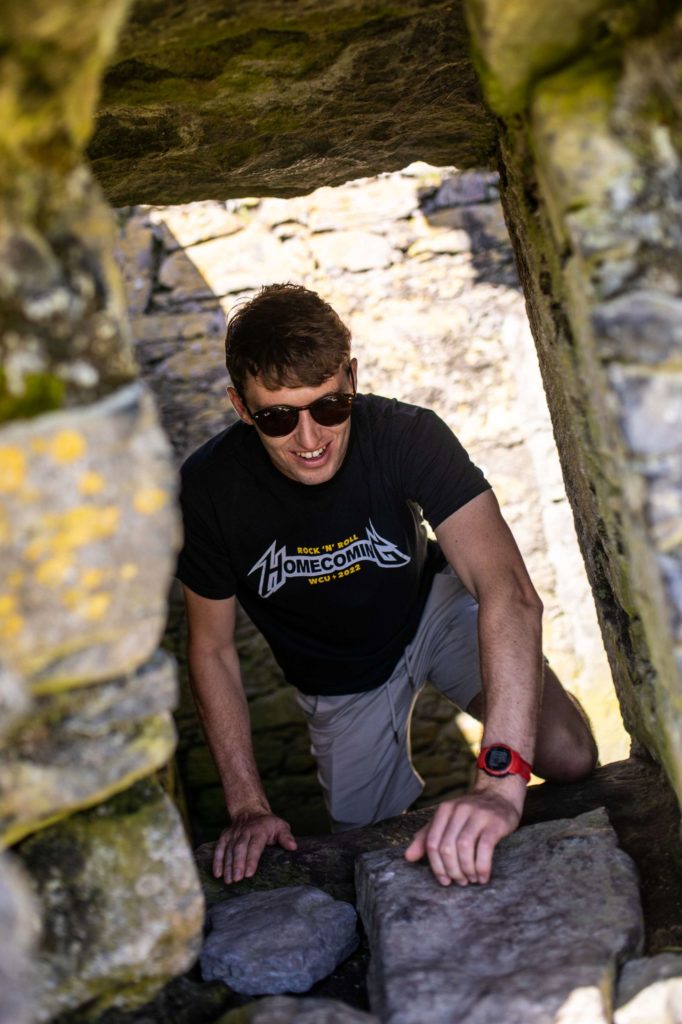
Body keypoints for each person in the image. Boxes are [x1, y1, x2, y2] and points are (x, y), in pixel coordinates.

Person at [177, 283, 598, 890]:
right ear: (241, 407)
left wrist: (498, 784)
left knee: (569, 754)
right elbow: (211, 649)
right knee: (364, 851)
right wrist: (247, 806)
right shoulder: (210, 490)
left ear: (352, 377)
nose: (309, 438)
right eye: (277, 417)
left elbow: (508, 591)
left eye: (329, 406)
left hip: (432, 609)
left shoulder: (407, 434)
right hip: (338, 679)